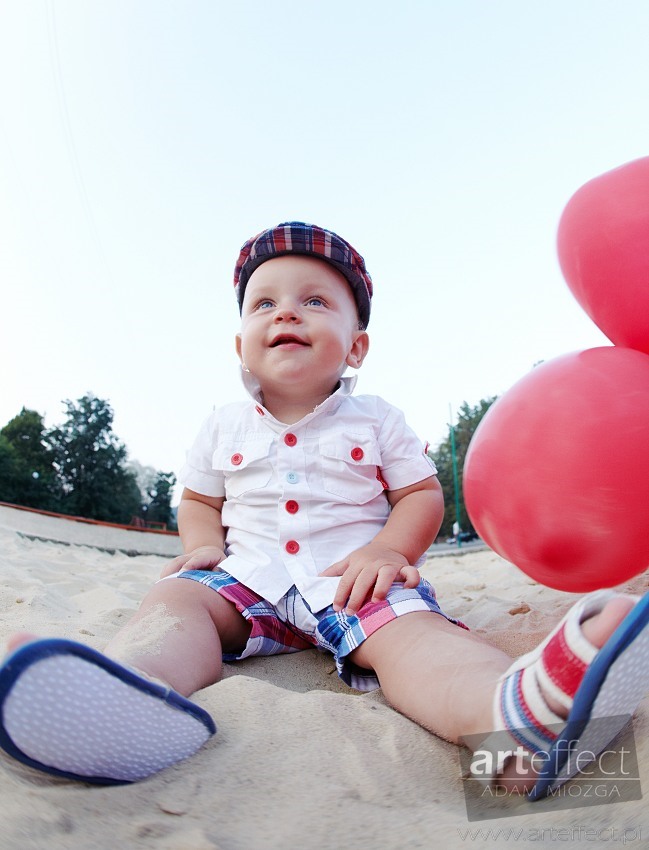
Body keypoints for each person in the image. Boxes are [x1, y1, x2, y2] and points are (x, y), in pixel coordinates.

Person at [1, 222, 648, 797]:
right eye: (265, 302)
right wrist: (201, 544)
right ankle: (130, 697)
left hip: (349, 578)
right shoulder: (222, 425)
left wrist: (390, 550)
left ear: (356, 346)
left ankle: (505, 728)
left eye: (314, 300)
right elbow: (199, 497)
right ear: (240, 342)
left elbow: (418, 494)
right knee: (174, 604)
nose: (287, 313)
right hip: (244, 577)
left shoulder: (377, 418)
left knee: (414, 641)